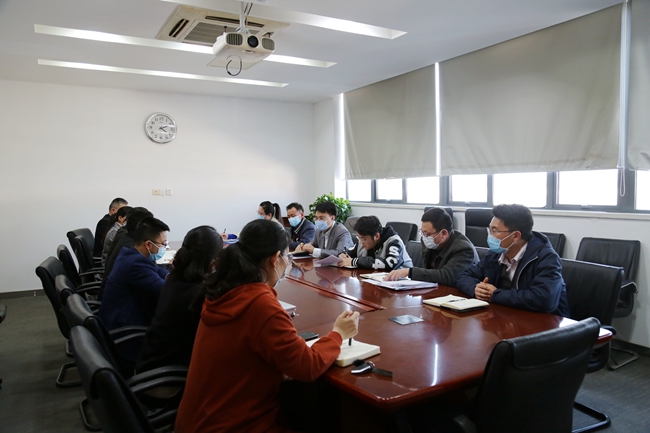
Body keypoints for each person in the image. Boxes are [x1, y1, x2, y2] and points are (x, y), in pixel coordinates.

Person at [175, 219, 359, 433]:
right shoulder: (260, 305)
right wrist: (338, 334)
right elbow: (307, 366)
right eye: (287, 257)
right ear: (275, 259)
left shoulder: (221, 290)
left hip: (195, 421)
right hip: (232, 425)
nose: (287, 262)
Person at [455, 204, 570, 316]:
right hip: (508, 316)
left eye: (495, 231)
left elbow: (544, 300)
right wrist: (475, 288)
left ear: (515, 236)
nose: (490, 235)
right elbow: (463, 276)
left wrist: (495, 294)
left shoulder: (546, 258)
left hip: (547, 323)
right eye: (489, 230)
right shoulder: (495, 254)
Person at [136, 226, 223, 373]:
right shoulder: (197, 294)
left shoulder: (176, 278)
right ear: (212, 261)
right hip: (167, 376)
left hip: (151, 362)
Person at [98, 217, 170, 341]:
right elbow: (164, 290)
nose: (165, 247)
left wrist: (170, 276)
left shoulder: (130, 253)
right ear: (148, 244)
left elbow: (157, 270)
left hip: (120, 319)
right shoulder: (136, 264)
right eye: (163, 244)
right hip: (126, 332)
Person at [384, 208, 478, 285]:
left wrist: (409, 272)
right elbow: (429, 271)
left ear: (444, 233)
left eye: (428, 234)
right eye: (422, 232)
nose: (424, 237)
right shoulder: (428, 241)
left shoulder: (463, 249)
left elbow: (447, 276)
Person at [100, 207, 153, 300]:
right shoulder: (131, 248)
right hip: (118, 300)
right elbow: (151, 280)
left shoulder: (125, 234)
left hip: (113, 293)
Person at [338, 216, 413, 270]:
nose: (361, 242)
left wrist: (355, 261)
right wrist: (343, 256)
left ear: (376, 236)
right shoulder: (362, 241)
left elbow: (390, 263)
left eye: (364, 239)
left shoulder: (394, 241)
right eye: (359, 238)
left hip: (402, 282)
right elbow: (348, 253)